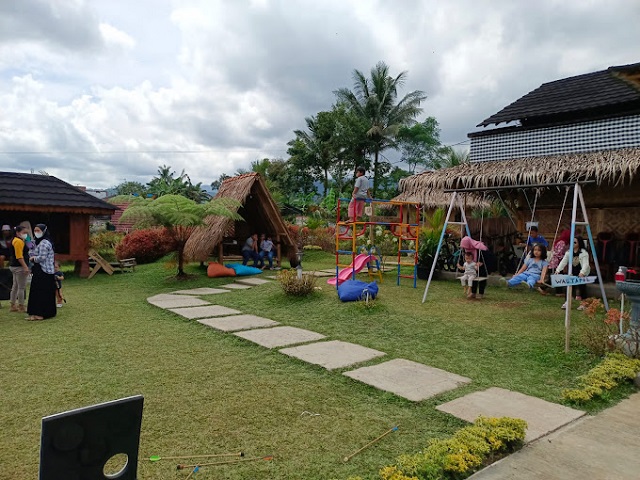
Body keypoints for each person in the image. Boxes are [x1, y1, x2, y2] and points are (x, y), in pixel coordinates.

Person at [26, 223, 57, 321]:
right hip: (38, 270)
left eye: (38, 230)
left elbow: (41, 257)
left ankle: (43, 313)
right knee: (36, 292)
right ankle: (35, 313)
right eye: (35, 230)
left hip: (45, 271)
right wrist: (27, 239)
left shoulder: (45, 243)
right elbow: (30, 250)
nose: (36, 232)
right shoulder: (36, 241)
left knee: (43, 293)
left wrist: (33, 258)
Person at [555, 235, 590, 310]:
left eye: (575, 242)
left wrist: (582, 272)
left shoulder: (584, 253)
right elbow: (563, 261)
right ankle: (568, 301)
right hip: (572, 271)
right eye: (572, 242)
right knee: (569, 286)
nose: (573, 244)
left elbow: (585, 264)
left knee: (582, 287)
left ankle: (584, 303)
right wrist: (558, 270)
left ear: (579, 243)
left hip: (581, 271)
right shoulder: (569, 252)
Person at [9, 226, 30, 313]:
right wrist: (25, 266)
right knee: (21, 287)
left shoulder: (19, 240)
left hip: (14, 266)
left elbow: (32, 246)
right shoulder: (18, 242)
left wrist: (27, 238)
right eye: (24, 233)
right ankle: (21, 305)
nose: (26, 235)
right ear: (17, 233)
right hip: (19, 266)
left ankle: (13, 304)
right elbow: (19, 256)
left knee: (15, 286)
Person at [549, 229, 571, 296]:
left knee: (557, 277)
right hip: (556, 262)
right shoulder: (562, 242)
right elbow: (559, 253)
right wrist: (565, 257)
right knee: (557, 276)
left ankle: (559, 291)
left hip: (557, 262)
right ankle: (558, 292)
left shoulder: (565, 242)